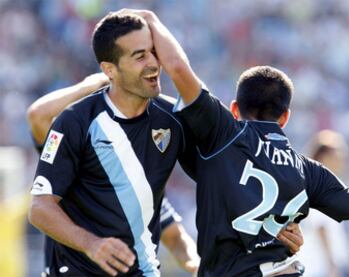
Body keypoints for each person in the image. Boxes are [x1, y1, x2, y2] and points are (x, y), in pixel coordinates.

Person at [28, 10, 303, 276]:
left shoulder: (173, 119)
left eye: (153, 52)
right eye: (139, 56)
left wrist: (275, 220)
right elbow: (40, 208)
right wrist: (92, 244)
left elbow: (229, 174)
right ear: (110, 70)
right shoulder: (76, 121)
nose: (152, 63)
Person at [136, 9, 349, 276]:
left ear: (235, 109)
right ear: (285, 117)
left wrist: (150, 20)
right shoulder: (309, 170)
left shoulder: (225, 133)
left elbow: (177, 67)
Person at [26, 72, 199, 274]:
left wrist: (197, 265)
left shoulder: (142, 187)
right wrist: (88, 87)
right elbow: (38, 116)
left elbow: (176, 239)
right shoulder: (71, 143)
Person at [298, 130, 349, 277]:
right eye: (338, 155)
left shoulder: (317, 184)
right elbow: (321, 226)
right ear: (324, 157)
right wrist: (332, 266)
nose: (342, 160)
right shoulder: (319, 187)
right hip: (318, 269)